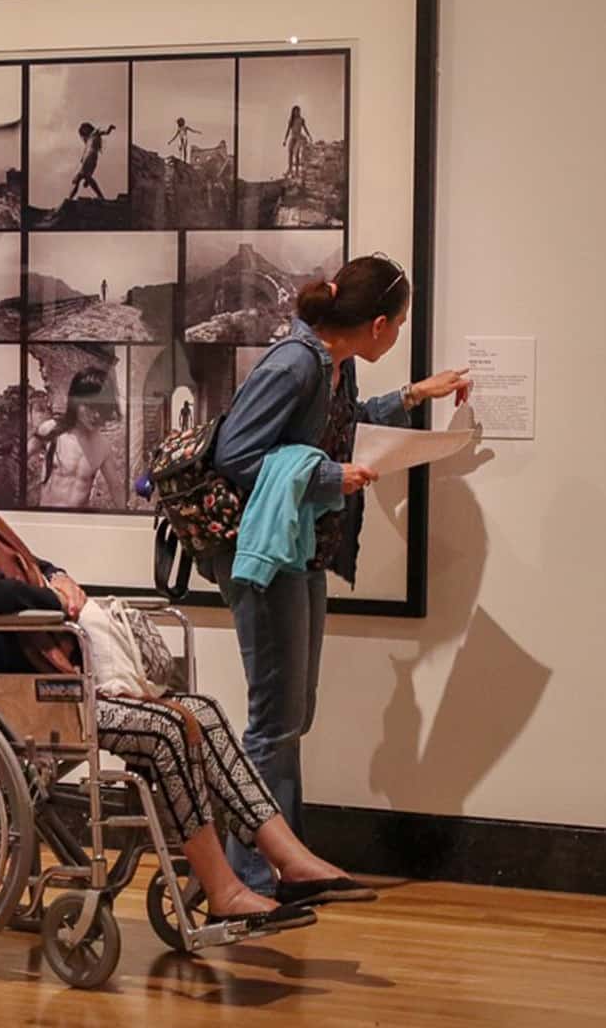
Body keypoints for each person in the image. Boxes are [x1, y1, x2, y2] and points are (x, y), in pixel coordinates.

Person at [0, 384, 374, 920]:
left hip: (25, 676)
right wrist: (54, 598)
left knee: (198, 712)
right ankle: (226, 887)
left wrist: (54, 575)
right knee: (167, 729)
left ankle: (287, 857)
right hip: (3, 690)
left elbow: (10, 570)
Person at [209, 254, 470, 896]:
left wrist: (412, 395)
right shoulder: (296, 363)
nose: (401, 332)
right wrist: (331, 477)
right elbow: (236, 452)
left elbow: (338, 429)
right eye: (401, 322)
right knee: (274, 718)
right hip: (265, 553)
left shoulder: (330, 363)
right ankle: (250, 873)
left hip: (299, 549)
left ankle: (283, 862)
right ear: (378, 324)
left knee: (293, 714)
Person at [33, 367, 125, 509]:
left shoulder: (102, 446)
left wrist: (127, 520)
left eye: (101, 409)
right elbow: (20, 457)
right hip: (48, 520)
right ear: (75, 402)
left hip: (79, 524)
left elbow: (116, 487)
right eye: (89, 406)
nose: (95, 415)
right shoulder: (53, 429)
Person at [67, 122, 117, 201]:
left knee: (79, 177)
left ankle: (70, 198)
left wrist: (109, 129)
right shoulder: (87, 140)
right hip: (87, 158)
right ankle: (99, 195)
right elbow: (86, 153)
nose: (84, 131)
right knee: (81, 178)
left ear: (88, 128)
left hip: (90, 156)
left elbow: (105, 132)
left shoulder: (95, 133)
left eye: (85, 128)